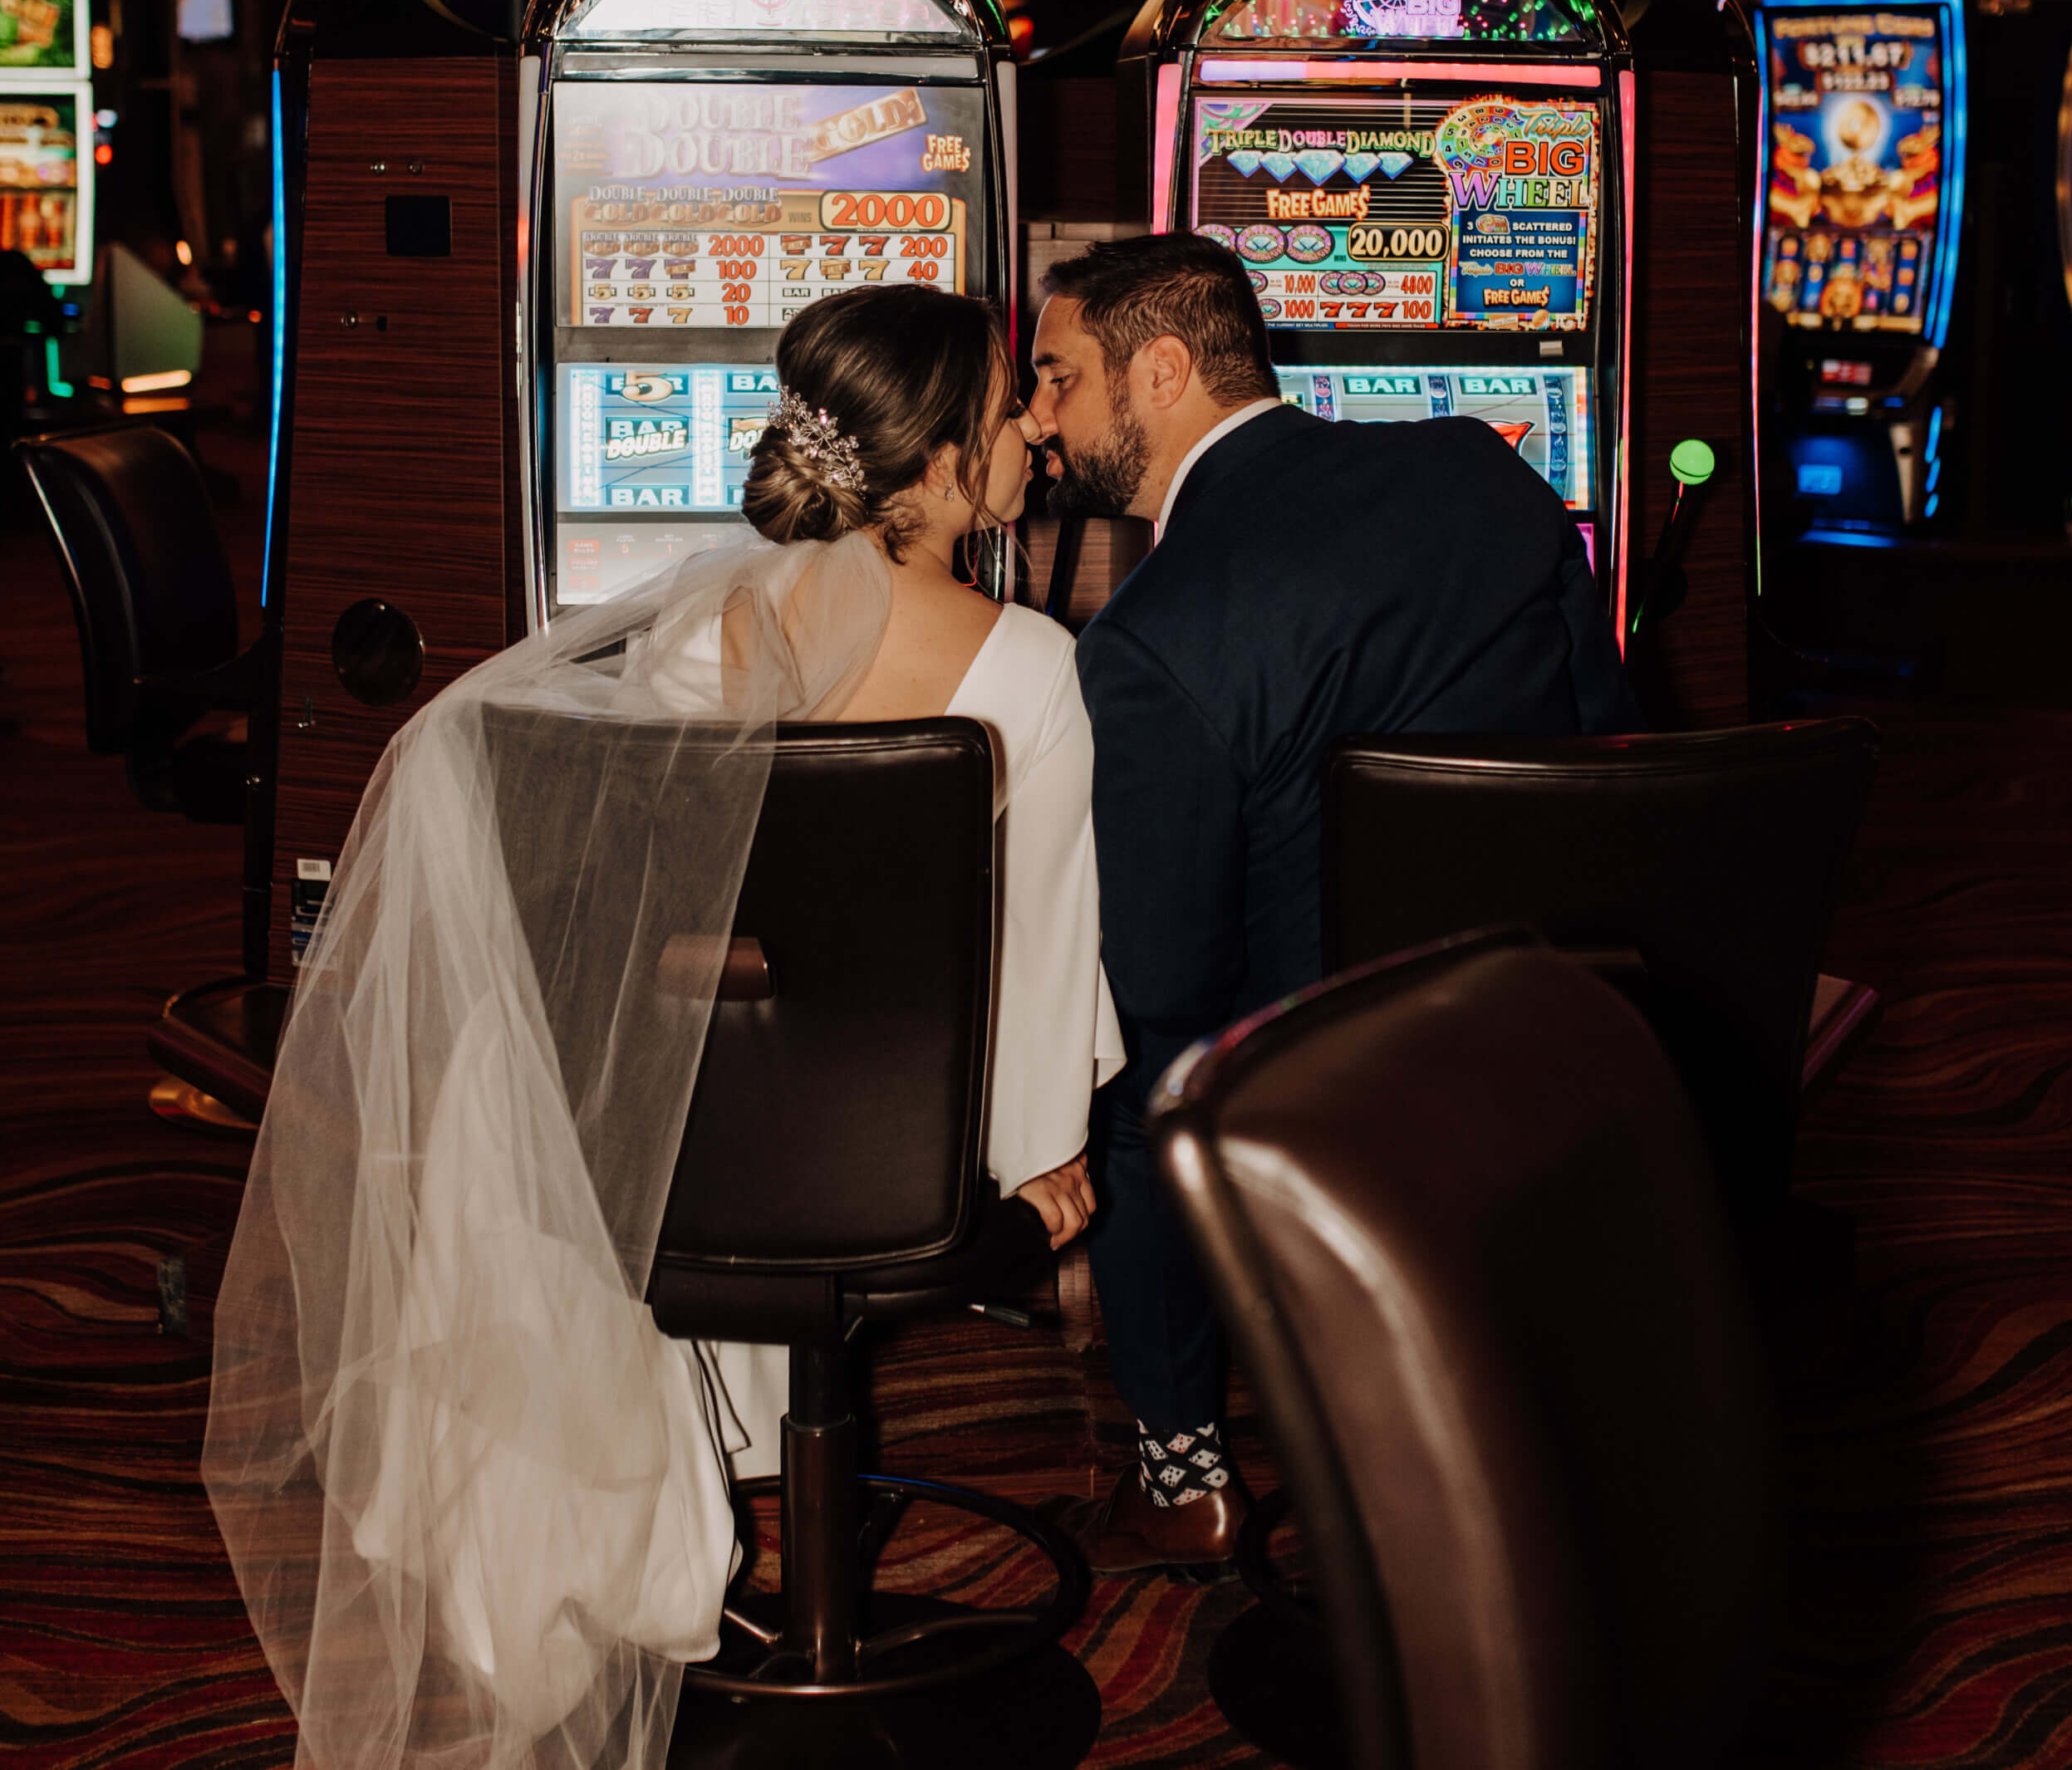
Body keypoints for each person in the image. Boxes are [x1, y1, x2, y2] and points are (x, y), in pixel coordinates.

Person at [204, 284, 1121, 1770]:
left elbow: (630, 931)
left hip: (657, 1139)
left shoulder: (698, 627)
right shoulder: (1032, 666)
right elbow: (1040, 951)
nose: (1031, 424)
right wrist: (1041, 1160)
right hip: (893, 1157)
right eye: (1009, 401)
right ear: (946, 463)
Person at [1030, 231, 1639, 1574]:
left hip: (1328, 1066)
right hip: (1543, 1000)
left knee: (1130, 1081)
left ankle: (1184, 1469)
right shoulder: (1481, 472)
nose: (1038, 419)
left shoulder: (1153, 636)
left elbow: (1174, 982)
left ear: (1166, 370)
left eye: (1061, 378)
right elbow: (1611, 747)